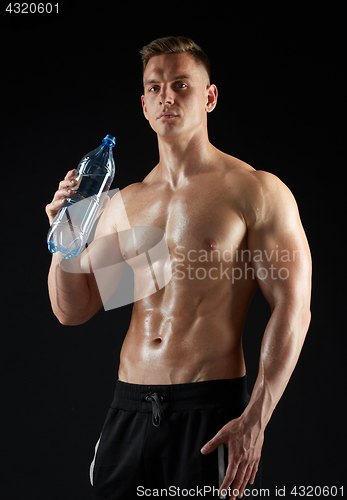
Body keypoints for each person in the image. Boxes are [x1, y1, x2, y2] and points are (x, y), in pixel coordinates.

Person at [46, 36, 312, 500]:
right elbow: (75, 309)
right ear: (144, 105)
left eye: (181, 84)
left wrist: (257, 417)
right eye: (154, 87)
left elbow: (294, 307)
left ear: (209, 97)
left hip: (209, 411)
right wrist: (64, 241)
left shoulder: (254, 191)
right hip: (129, 409)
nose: (166, 95)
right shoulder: (125, 202)